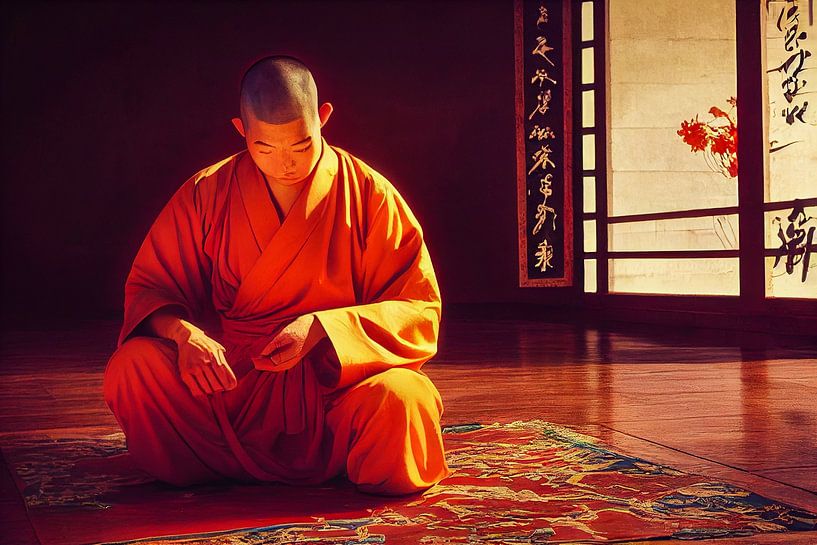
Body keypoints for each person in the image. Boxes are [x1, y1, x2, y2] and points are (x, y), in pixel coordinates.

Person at [102, 55, 450, 496]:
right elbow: (152, 286)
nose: (285, 162)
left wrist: (324, 328)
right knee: (132, 369)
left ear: (323, 118)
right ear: (241, 129)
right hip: (233, 385)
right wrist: (184, 334)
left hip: (334, 387)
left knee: (404, 398)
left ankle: (327, 455)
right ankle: (213, 458)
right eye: (265, 147)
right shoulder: (207, 192)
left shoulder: (369, 195)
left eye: (301, 145)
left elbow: (418, 309)